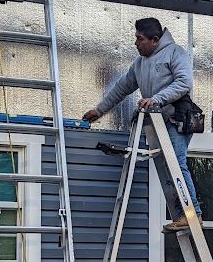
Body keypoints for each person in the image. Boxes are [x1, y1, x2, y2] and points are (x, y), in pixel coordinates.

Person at [83, 17, 201, 232]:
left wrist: (157, 99)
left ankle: (194, 215)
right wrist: (99, 110)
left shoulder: (175, 53)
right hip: (159, 121)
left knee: (177, 164)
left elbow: (184, 83)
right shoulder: (139, 64)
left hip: (177, 118)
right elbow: (121, 88)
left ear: (155, 40)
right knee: (168, 169)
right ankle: (182, 213)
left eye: (139, 39)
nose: (136, 43)